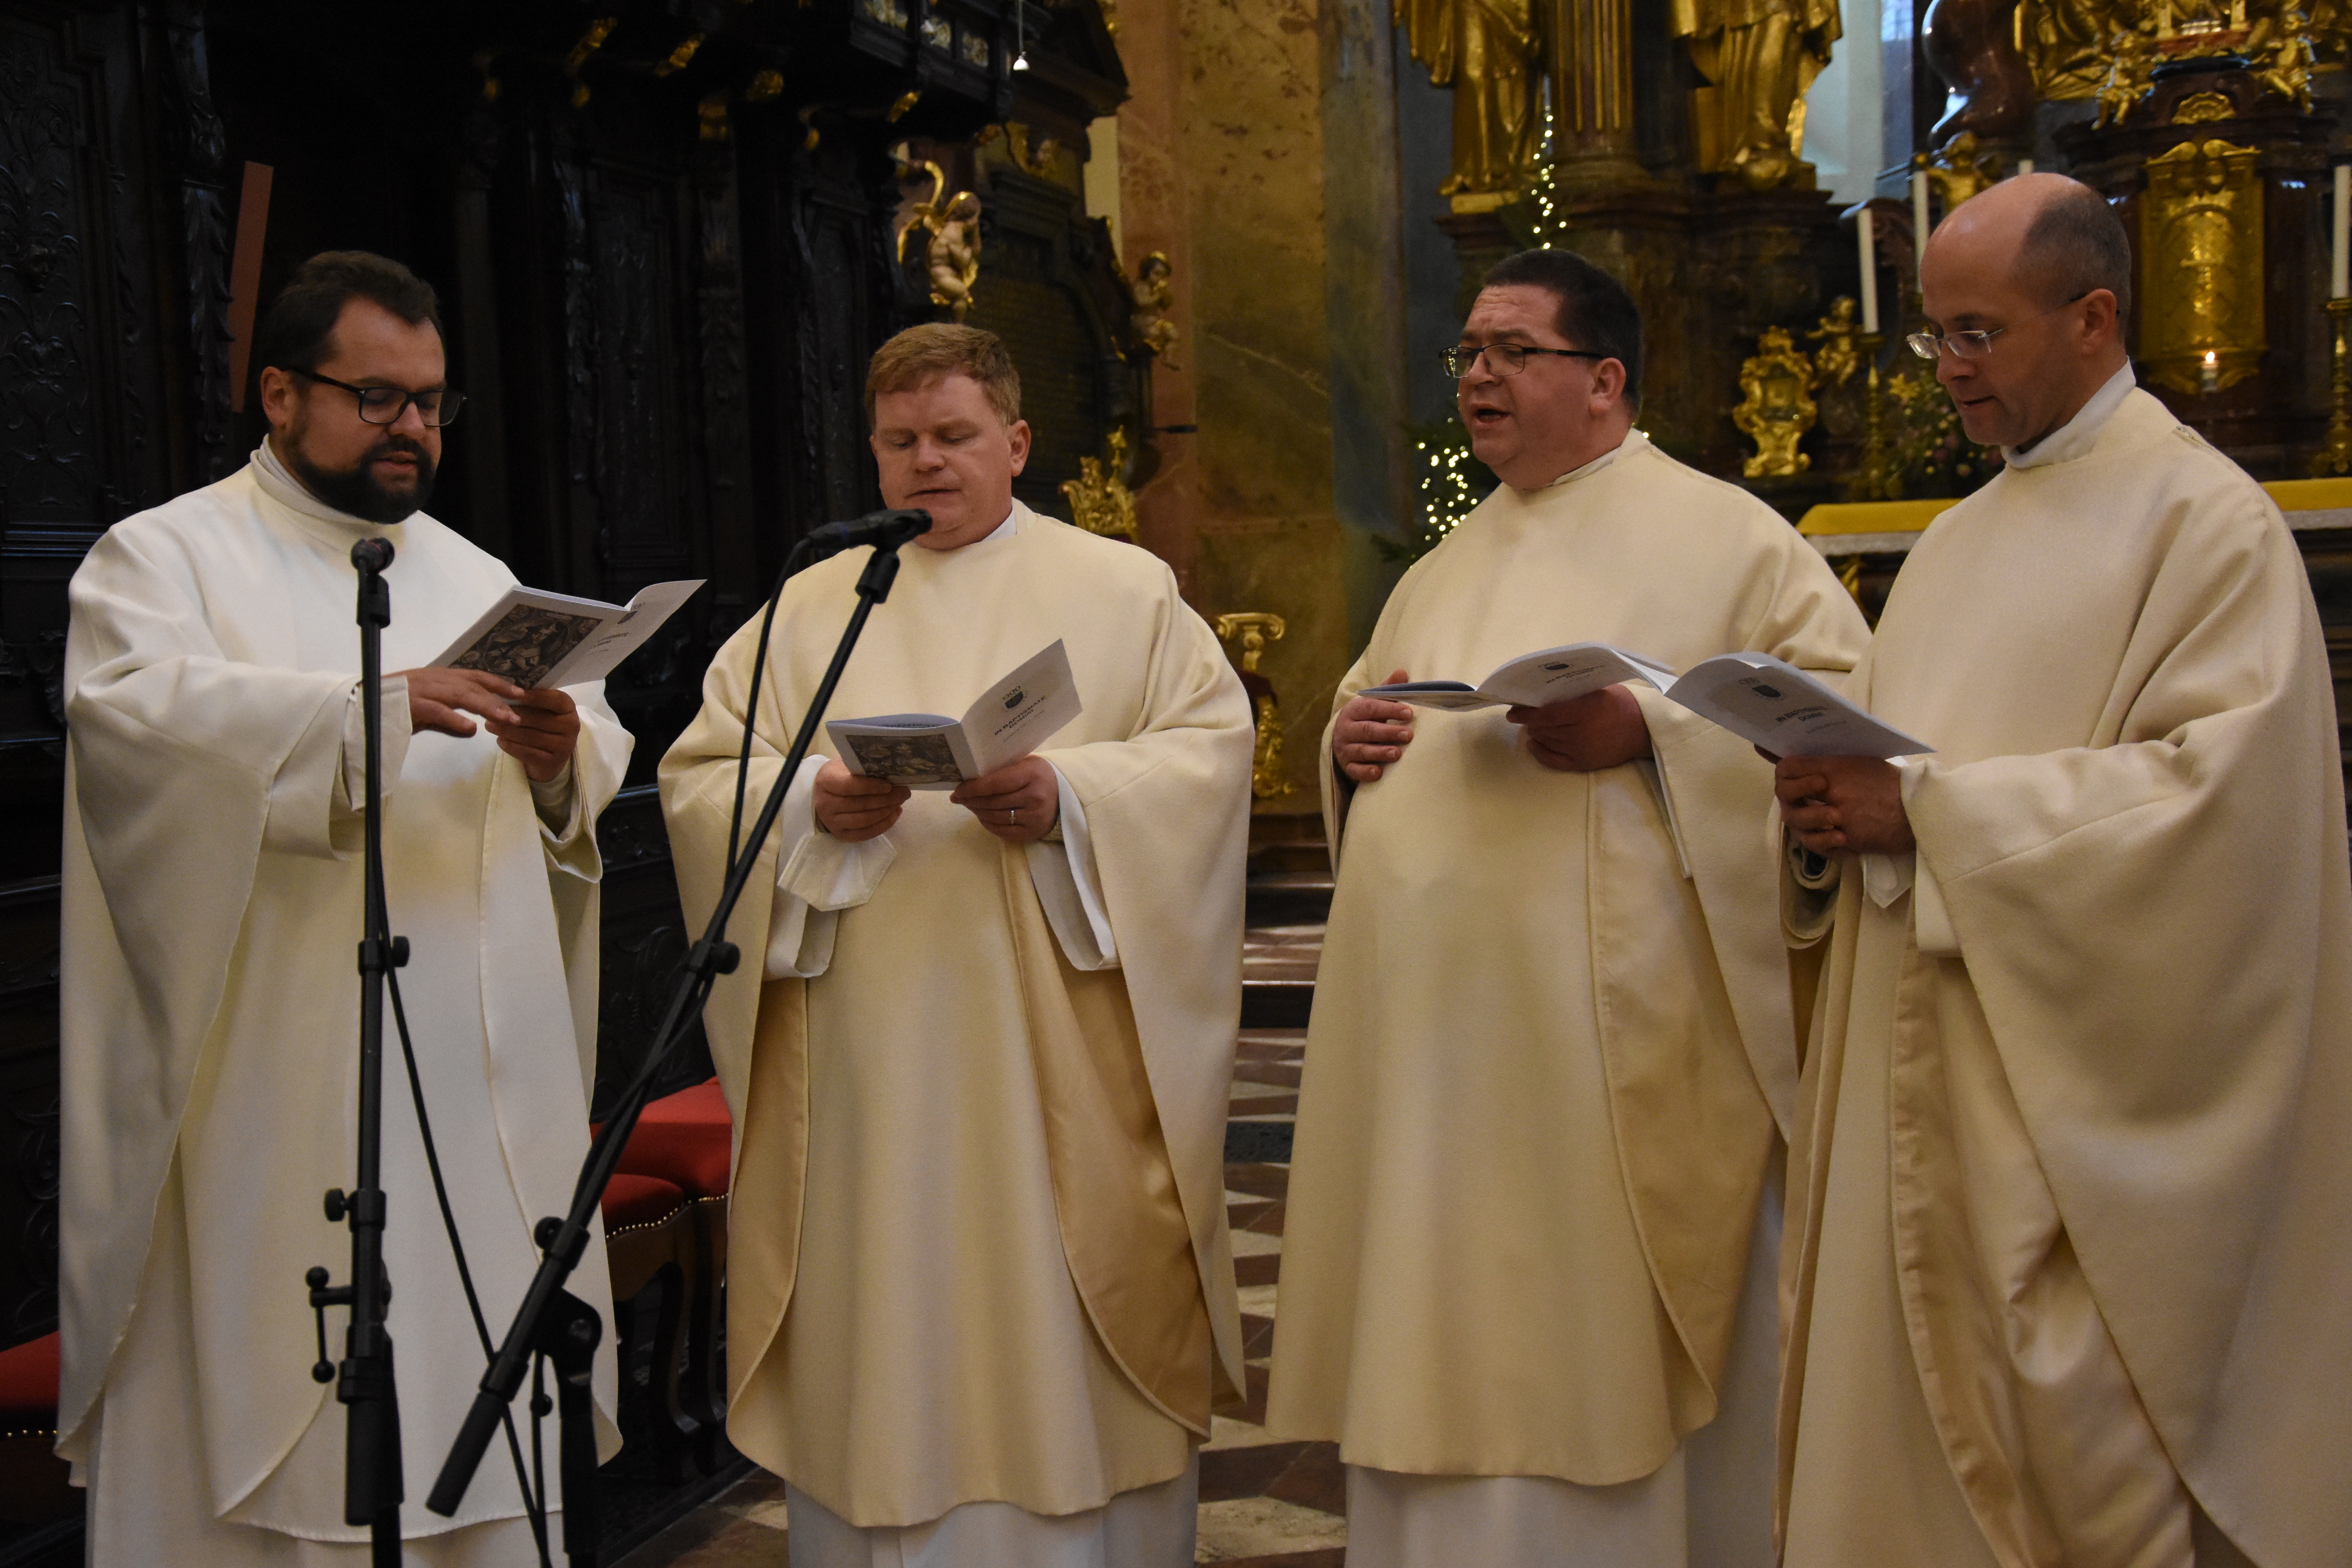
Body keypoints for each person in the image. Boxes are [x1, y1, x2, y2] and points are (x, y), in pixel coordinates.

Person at [1771, 174, 2352, 1568]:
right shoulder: (1955, 542)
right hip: (1917, 1068)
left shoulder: (2204, 525)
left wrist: (1933, 817)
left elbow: (2222, 815)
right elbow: (1899, 780)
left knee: (2079, 1447)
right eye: (1934, 338)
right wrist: (1819, 819)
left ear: (2093, 318)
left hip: (2073, 1094)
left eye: (1978, 333)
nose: (1950, 370)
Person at [1265, 249, 1869, 1567]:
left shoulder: (1732, 538)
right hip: (1436, 1055)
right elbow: (1375, 704)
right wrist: (1351, 740)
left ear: (1603, 381)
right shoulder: (1445, 560)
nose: (1478, 375)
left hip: (1608, 1050)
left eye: (1510, 351)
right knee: (1440, 1327)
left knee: (1592, 1346)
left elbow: (1838, 733)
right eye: (1467, 352)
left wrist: (1650, 733)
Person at [58, 250, 631, 1563]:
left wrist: (560, 760)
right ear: (278, 392)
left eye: (430, 402)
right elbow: (133, 728)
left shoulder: (473, 569)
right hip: (280, 1071)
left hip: (477, 1071)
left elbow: (592, 748)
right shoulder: (164, 557)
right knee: (289, 1396)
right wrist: (364, 714)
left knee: (473, 1379)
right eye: (377, 398)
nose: (412, 429)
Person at [659, 323, 1252, 1566]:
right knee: (893, 1322)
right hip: (871, 1058)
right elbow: (706, 779)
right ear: (872, 454)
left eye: (955, 437)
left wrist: (1072, 802)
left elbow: (1208, 756)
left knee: (1053, 1308)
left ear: (1016, 443)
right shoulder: (814, 603)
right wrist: (808, 808)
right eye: (902, 442)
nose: (928, 463)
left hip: (1057, 1047)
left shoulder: (1122, 589)